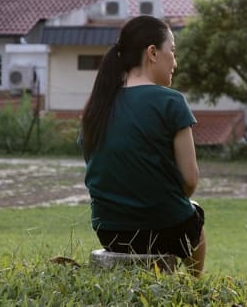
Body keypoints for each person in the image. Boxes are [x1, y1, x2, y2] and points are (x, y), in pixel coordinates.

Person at [81, 15, 206, 275]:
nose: (175, 60)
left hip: (109, 231)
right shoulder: (171, 102)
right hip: (167, 229)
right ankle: (195, 287)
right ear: (152, 53)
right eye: (171, 50)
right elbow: (190, 181)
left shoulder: (97, 106)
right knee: (196, 217)